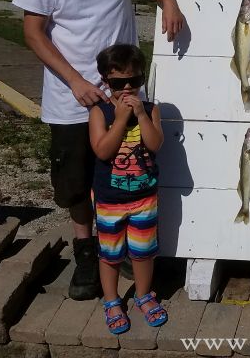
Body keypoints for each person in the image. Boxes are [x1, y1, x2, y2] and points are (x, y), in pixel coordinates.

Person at [13, 0, 185, 301]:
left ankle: (125, 247)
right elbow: (33, 31)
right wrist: (74, 81)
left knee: (126, 171)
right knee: (75, 184)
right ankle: (86, 252)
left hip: (123, 92)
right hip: (71, 96)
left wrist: (169, 3)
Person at [90, 44, 166, 333]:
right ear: (105, 82)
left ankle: (144, 295)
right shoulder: (100, 113)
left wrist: (142, 117)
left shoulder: (150, 109)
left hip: (144, 197)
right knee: (110, 253)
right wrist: (121, 119)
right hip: (110, 200)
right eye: (118, 83)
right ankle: (111, 300)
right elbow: (102, 151)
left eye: (134, 81)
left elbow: (155, 144)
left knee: (143, 251)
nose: (127, 88)